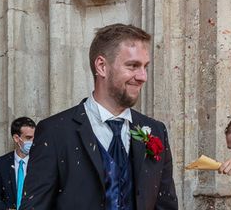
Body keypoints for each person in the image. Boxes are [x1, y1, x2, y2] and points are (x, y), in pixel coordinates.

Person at [19, 23, 178, 210]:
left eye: (145, 67)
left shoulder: (157, 131)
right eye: (133, 66)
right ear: (102, 66)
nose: (143, 76)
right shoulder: (55, 131)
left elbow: (165, 205)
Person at [0, 116, 36, 210]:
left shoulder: (40, 162)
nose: (32, 142)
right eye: (28, 138)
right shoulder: (2, 163)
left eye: (34, 138)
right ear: (16, 138)